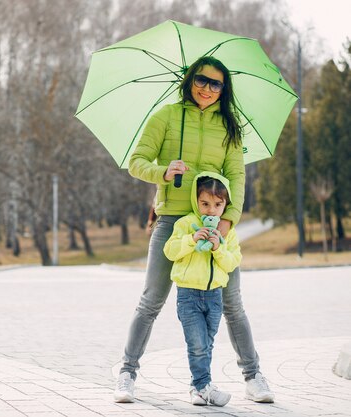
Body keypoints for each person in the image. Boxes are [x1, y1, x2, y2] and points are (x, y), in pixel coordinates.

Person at [113, 56, 274, 404]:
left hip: (214, 223)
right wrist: (163, 172)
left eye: (216, 84)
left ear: (224, 89)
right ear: (190, 80)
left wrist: (227, 223)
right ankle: (126, 372)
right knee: (151, 300)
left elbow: (237, 177)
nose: (207, 88)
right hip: (172, 220)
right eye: (202, 80)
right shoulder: (166, 117)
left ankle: (253, 374)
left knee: (232, 302)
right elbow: (136, 162)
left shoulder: (230, 127)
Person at [164, 173, 241, 406]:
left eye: (218, 205)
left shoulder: (227, 232)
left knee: (206, 344)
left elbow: (231, 263)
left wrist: (218, 248)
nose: (211, 210)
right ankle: (203, 387)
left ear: (225, 204)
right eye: (205, 204)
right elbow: (170, 251)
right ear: (196, 201)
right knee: (197, 344)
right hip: (188, 295)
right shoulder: (186, 224)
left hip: (215, 296)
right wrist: (190, 239)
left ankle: (196, 386)